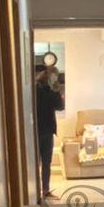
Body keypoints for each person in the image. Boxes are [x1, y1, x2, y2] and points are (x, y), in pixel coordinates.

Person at [34, 64, 64, 197]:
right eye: (52, 76)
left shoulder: (52, 89)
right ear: (46, 74)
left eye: (55, 76)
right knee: (36, 162)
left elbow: (60, 107)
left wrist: (56, 91)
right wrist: (50, 90)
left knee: (47, 162)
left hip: (48, 131)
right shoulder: (36, 87)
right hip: (35, 131)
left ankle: (45, 189)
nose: (54, 78)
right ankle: (35, 190)